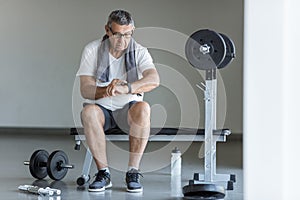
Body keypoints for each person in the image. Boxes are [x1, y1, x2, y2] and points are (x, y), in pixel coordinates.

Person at [76, 9, 160, 193]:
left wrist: (127, 88)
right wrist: (106, 90)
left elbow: (154, 80)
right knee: (88, 112)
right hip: (103, 112)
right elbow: (85, 89)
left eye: (128, 34)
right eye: (118, 35)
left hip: (128, 112)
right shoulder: (92, 49)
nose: (123, 41)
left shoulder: (139, 51)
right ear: (107, 30)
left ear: (133, 31)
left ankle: (133, 172)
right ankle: (103, 174)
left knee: (143, 108)